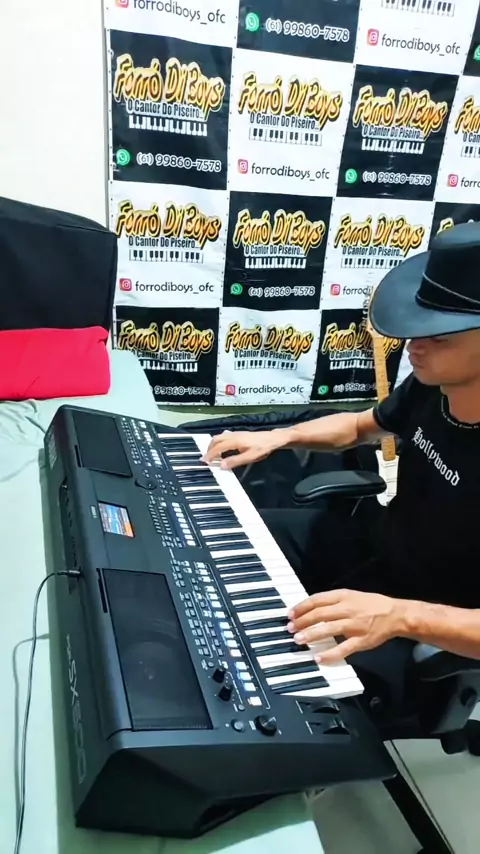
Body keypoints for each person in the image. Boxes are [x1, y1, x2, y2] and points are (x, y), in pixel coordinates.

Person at [203, 222, 480, 708]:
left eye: (439, 338)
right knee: (219, 544)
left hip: (431, 617)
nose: (413, 347)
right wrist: (279, 436)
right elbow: (358, 426)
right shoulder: (432, 385)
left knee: (272, 692)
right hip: (377, 548)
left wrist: (400, 616)